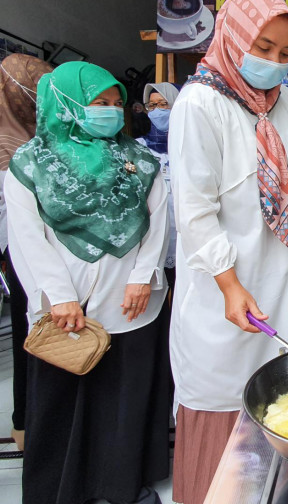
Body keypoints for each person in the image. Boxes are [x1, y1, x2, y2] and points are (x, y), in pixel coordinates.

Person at [168, 0, 288, 503]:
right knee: (228, 410)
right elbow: (194, 211)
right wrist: (230, 285)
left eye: (284, 53)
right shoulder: (200, 104)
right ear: (233, 38)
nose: (274, 63)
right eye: (262, 49)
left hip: (285, 283)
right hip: (225, 296)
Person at [5, 61, 171, 504]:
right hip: (63, 309)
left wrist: (142, 278)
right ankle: (63, 490)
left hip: (129, 303)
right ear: (67, 103)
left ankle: (119, 487)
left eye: (117, 104)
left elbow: (158, 225)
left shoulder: (140, 160)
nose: (112, 112)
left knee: (122, 402)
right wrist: (58, 297)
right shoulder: (29, 164)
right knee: (63, 402)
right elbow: (26, 238)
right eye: (101, 103)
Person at [0, 53, 53, 451]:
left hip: (53, 255)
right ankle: (26, 424)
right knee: (31, 338)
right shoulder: (7, 145)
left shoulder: (46, 138)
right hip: (19, 255)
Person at [139, 82, 181, 290]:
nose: (157, 111)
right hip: (151, 239)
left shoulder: (189, 145)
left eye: (164, 104)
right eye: (152, 106)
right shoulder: (138, 148)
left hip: (184, 239)